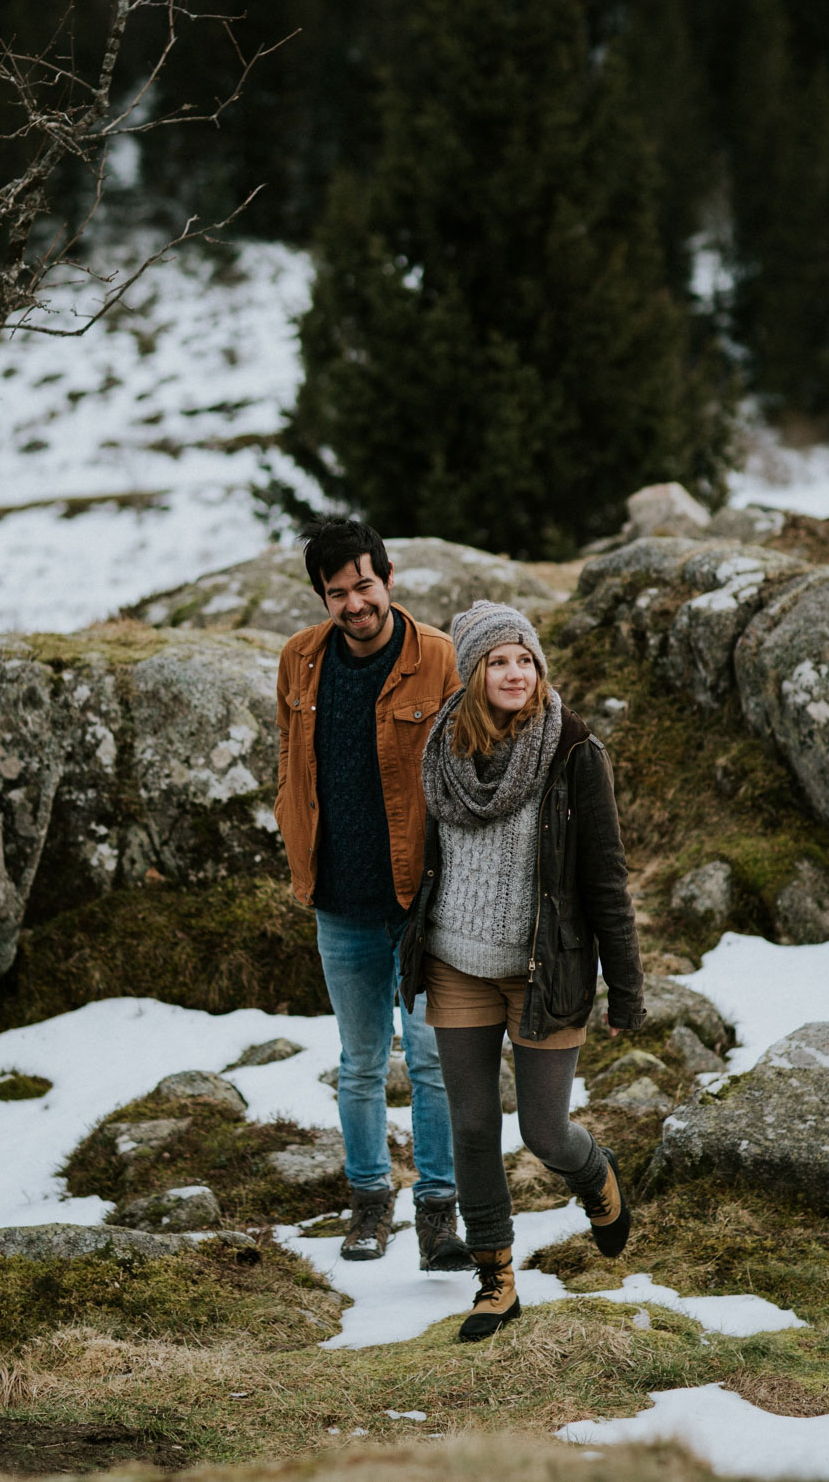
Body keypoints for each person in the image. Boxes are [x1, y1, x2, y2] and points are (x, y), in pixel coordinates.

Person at [399, 599, 644, 1341]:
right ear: (472, 671)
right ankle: (496, 1278)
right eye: (498, 660)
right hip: (456, 963)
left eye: (525, 659)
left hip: (548, 970)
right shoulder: (442, 747)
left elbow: (607, 877)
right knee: (472, 1126)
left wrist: (627, 987)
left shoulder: (574, 751)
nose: (514, 672)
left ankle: (595, 1175)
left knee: (543, 1129)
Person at [274, 516, 473, 1271]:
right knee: (359, 1062)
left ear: (387, 577)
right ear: (322, 598)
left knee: (429, 1060)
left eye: (363, 585)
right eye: (336, 593)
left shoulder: (441, 658)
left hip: (423, 902)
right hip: (338, 899)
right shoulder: (298, 660)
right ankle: (367, 1204)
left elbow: (470, 765)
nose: (354, 603)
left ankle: (438, 1213)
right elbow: (292, 761)